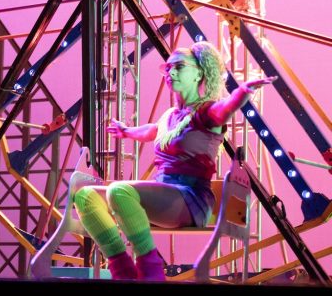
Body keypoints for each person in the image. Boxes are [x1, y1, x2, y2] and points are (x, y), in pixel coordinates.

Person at [76, 41, 275, 281]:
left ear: (199, 73)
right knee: (85, 196)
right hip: (164, 193)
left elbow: (225, 109)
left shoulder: (207, 112)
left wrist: (241, 93)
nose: (171, 72)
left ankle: (151, 271)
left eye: (179, 67)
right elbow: (152, 130)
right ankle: (123, 271)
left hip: (191, 200)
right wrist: (126, 131)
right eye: (168, 68)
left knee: (119, 191)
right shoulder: (170, 115)